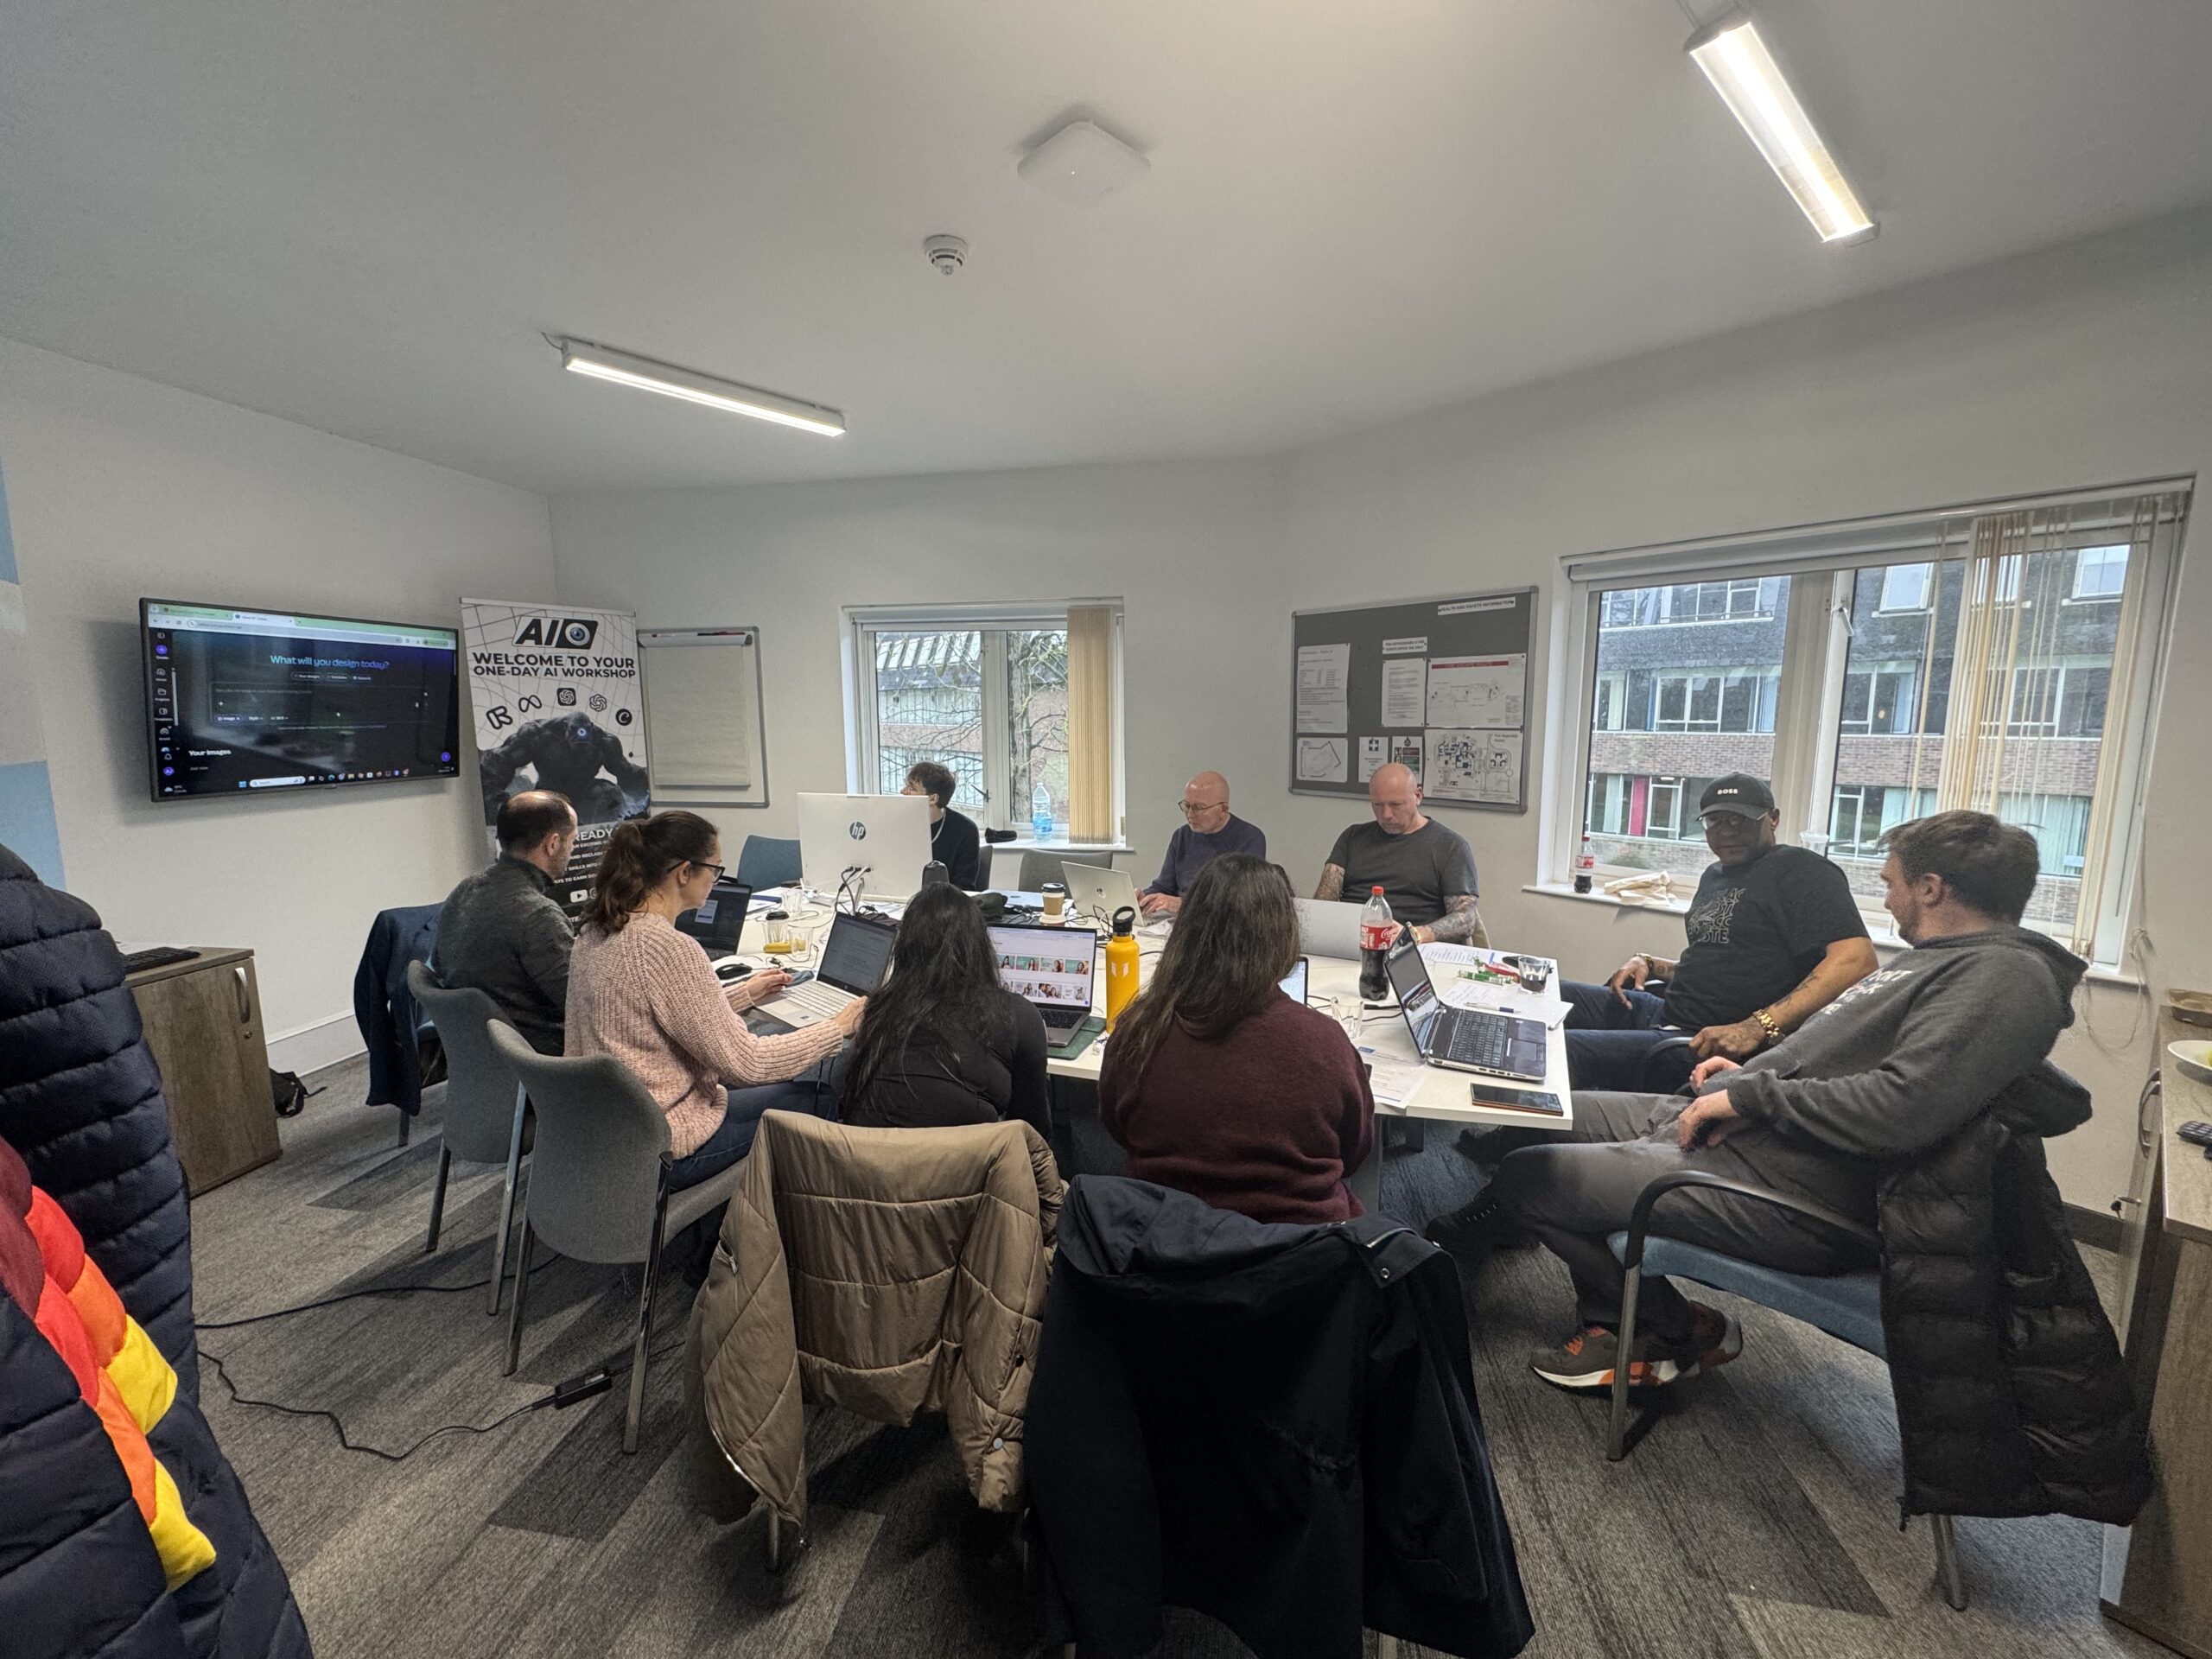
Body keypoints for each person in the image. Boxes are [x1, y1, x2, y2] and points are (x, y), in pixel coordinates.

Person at [1473, 810, 2087, 1391]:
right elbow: (1846, 1061)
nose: (1887, 897)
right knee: (1540, 1113)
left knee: (1531, 1178)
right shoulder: (1942, 962)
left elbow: (1902, 1107)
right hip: (1742, 1133)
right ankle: (1618, 1311)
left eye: (1891, 883)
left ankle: (1665, 1331)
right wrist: (1750, 1074)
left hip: (1789, 1192)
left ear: (1931, 889)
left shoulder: (2005, 978)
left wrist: (1752, 1096)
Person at [566, 810, 858, 1189]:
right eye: (715, 870)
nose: (716, 881)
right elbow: (749, 1064)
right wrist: (837, 1027)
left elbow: (650, 1011)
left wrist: (742, 993)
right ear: (684, 872)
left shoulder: (596, 929)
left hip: (604, 1131)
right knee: (818, 1095)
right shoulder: (668, 947)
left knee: (743, 1077)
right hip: (661, 1147)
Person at [1100, 854, 1374, 1224]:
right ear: (1283, 936)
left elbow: (1116, 1128)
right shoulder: (1325, 1043)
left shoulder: (1139, 1031)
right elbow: (1354, 1152)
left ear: (1186, 932)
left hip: (1167, 1242)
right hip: (1298, 1251)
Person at [1560, 774, 1875, 1092]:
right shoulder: (1715, 875)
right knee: (1549, 995)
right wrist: (1651, 964)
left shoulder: (1801, 870)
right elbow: (1720, 968)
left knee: (1559, 1050)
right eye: (1715, 821)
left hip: (1702, 1042)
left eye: (1739, 820)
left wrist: (1756, 1027)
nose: (1725, 831)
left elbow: (1857, 961)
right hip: (1663, 1010)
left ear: (1773, 819)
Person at [838, 882, 1050, 1137]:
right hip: (968, 1161)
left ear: (904, 947)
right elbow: (1032, 1128)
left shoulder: (878, 1009)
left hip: (866, 1158)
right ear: (979, 946)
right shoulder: (1018, 1015)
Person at [434, 789, 579, 1053]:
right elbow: (581, 1005)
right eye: (572, 840)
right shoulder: (537, 915)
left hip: (480, 1046)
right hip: (539, 1056)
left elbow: (440, 964)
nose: (572, 849)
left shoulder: (465, 889)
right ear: (553, 844)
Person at [1313, 762, 1486, 944]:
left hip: (1415, 946)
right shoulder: (1352, 837)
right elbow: (1323, 903)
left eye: (1395, 805)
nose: (1386, 814)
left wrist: (1413, 934)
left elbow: (1465, 920)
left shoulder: (1450, 846)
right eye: (1378, 805)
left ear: (1418, 796)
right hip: (1352, 942)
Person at [1137, 770, 1267, 915]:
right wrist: (1144, 898)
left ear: (1223, 810)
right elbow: (1165, 886)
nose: (1190, 814)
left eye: (1199, 808)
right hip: (1183, 920)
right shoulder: (1181, 836)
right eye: (1187, 806)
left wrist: (1182, 904)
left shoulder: (1249, 838)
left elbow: (1239, 901)